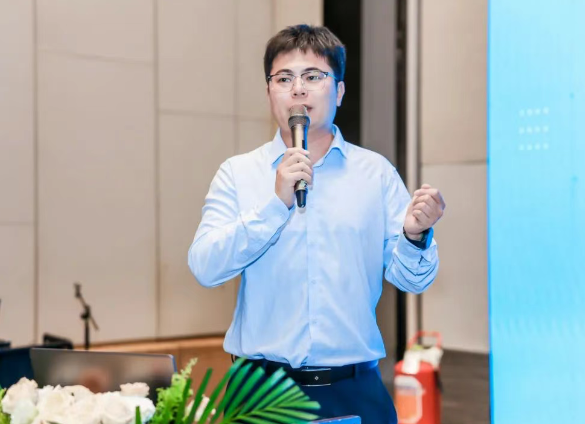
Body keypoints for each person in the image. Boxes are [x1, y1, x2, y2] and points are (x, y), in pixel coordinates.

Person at [188, 24, 445, 424]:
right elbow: (205, 267)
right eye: (283, 78)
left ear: (339, 92)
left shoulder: (375, 174)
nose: (298, 89)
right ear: (269, 92)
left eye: (312, 76)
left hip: (353, 391)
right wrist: (276, 204)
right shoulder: (238, 174)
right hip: (260, 391)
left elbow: (413, 281)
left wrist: (415, 236)